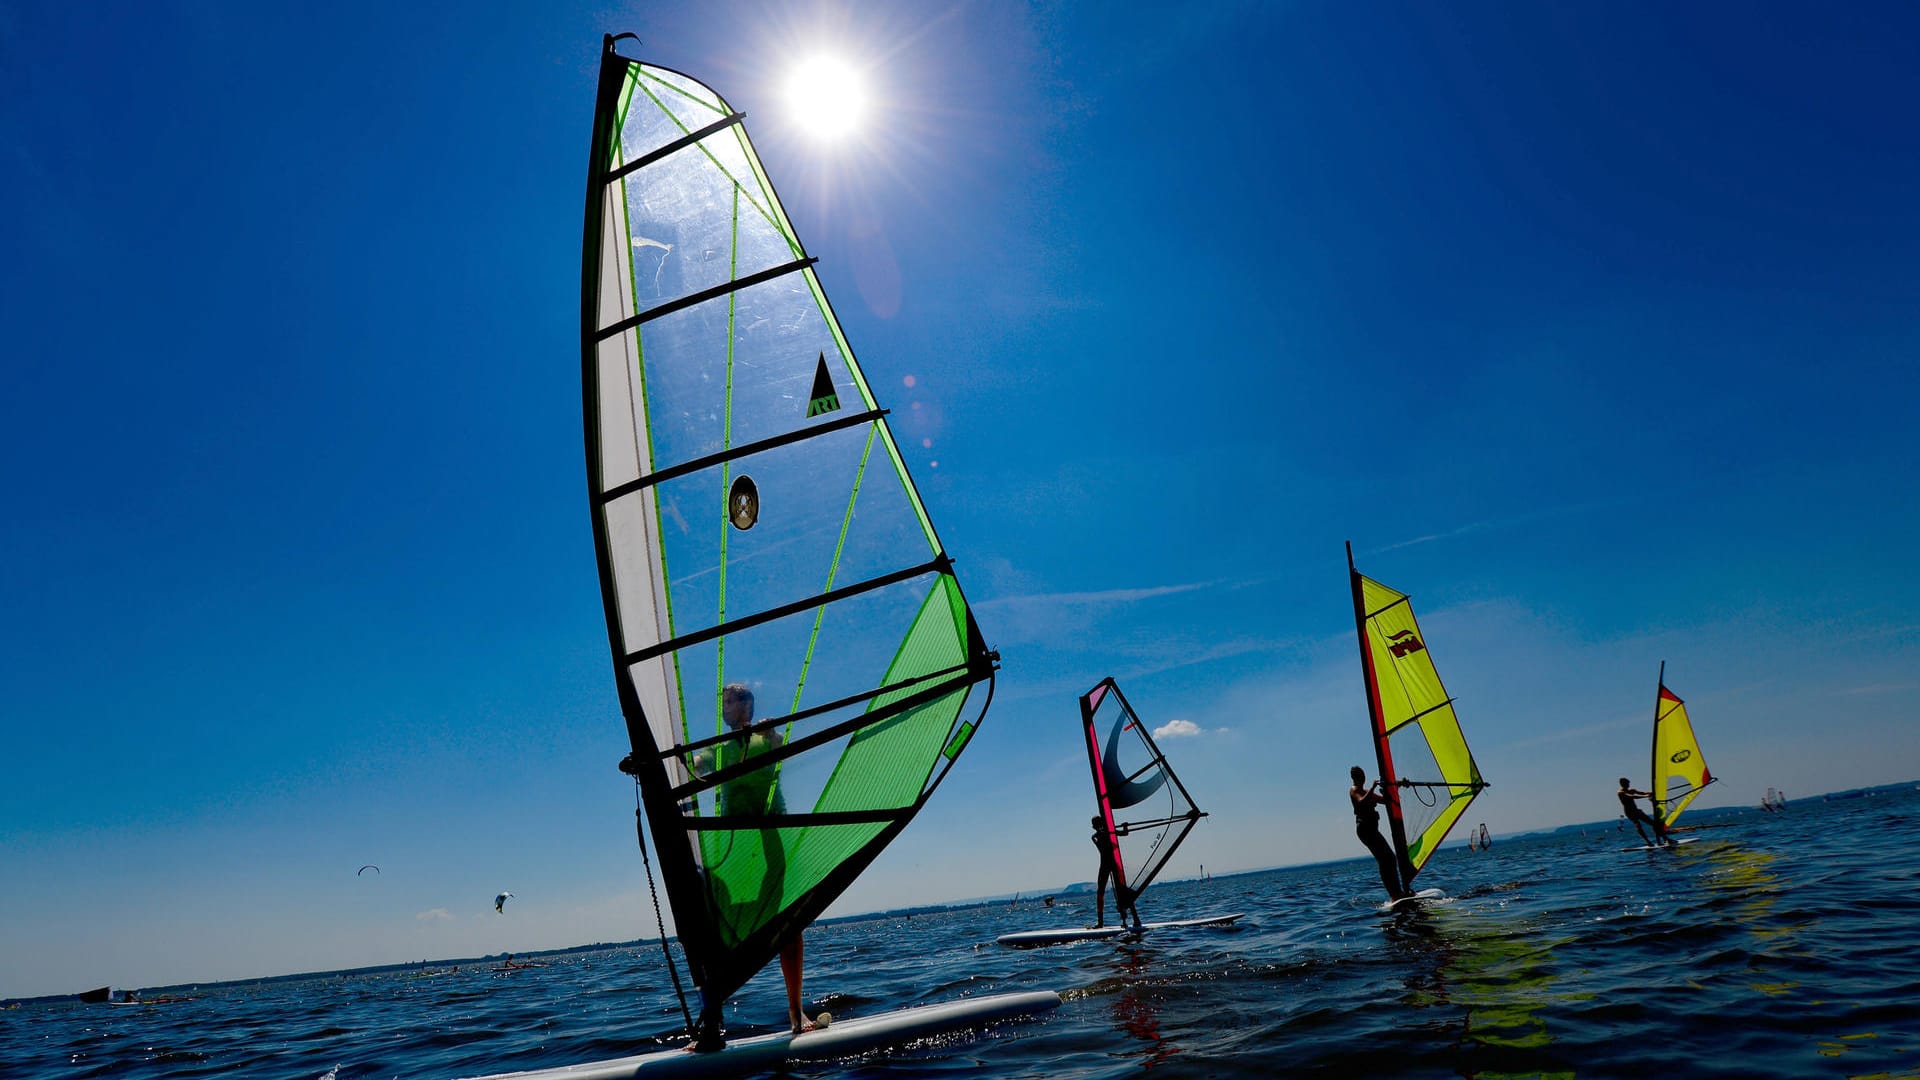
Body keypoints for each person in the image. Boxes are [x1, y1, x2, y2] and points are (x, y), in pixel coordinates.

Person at [1351, 766, 1411, 900]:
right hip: (1365, 831)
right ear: (1355, 778)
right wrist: (1372, 788)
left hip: (1372, 830)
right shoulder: (1354, 790)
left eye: (1363, 775)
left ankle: (1398, 891)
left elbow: (1386, 801)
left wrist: (1397, 785)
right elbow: (1360, 802)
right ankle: (1394, 894)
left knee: (1389, 859)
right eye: (1360, 776)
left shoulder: (1366, 792)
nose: (1363, 778)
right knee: (1386, 859)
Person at [1090, 816, 1140, 928]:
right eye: (1096, 825)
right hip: (1104, 865)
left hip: (1114, 864)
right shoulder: (1095, 837)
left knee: (1122, 890)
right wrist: (1108, 832)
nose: (1098, 827)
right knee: (1100, 891)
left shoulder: (1110, 832)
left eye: (1099, 824)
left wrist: (1125, 827)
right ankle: (1100, 922)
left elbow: (1124, 834)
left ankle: (1136, 919)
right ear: (1094, 827)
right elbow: (1100, 843)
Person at [1617, 777, 1674, 847]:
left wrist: (1652, 793)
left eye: (1628, 783)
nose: (1628, 785)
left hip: (1637, 811)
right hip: (1630, 812)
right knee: (1638, 825)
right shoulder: (1621, 793)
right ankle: (1648, 842)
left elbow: (1642, 792)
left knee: (1653, 823)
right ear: (1622, 784)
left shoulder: (1631, 790)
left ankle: (1665, 839)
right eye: (1626, 783)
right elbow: (1632, 796)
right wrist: (1646, 796)